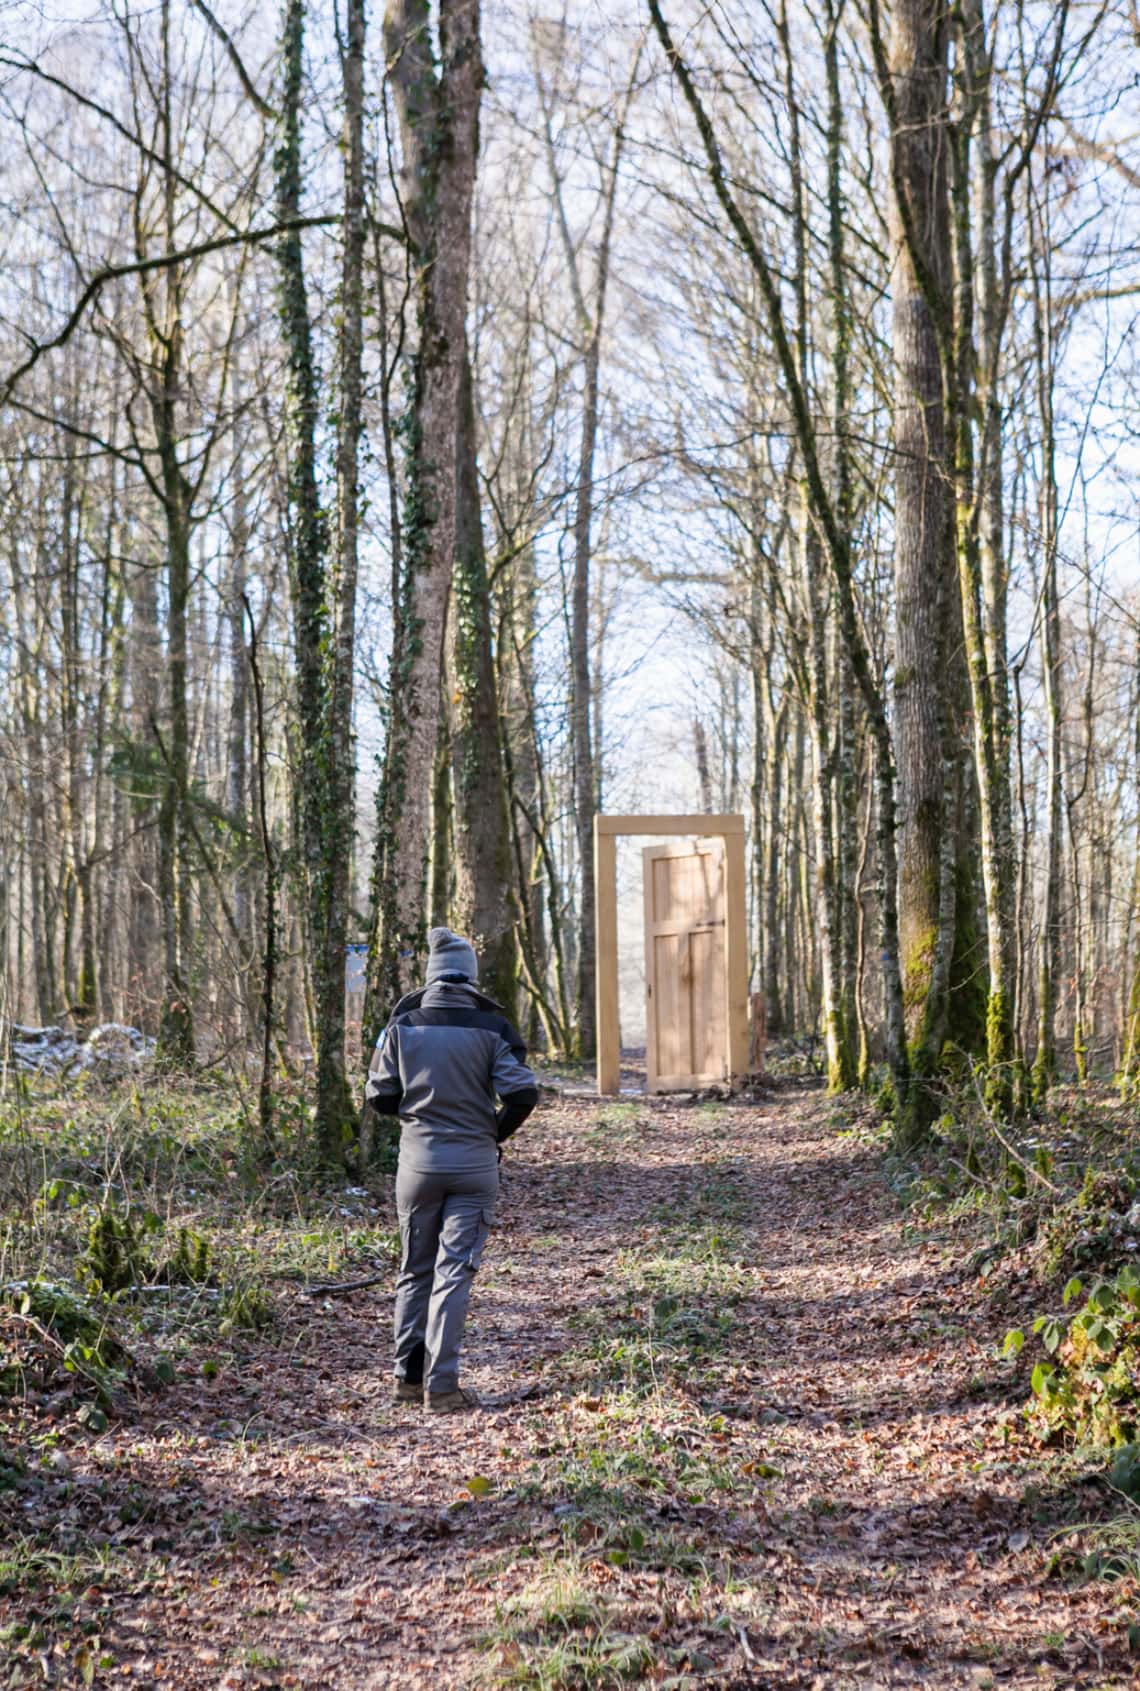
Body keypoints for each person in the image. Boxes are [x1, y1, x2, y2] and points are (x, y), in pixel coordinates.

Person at [366, 928, 538, 1413]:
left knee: (414, 1271)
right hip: (474, 1167)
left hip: (417, 1167)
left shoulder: (403, 1024)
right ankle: (442, 1389)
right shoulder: (493, 1027)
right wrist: (492, 1134)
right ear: (471, 975)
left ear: (431, 976)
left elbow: (379, 1095)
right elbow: (523, 1093)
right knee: (454, 1273)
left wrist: (417, 1112)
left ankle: (406, 1380)